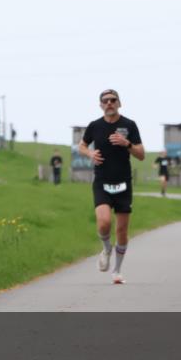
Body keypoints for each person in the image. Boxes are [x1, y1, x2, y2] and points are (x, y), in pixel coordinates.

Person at [77, 89, 144, 284]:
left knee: (122, 230)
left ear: (119, 103)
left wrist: (127, 144)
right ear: (101, 105)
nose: (109, 103)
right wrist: (89, 154)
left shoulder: (129, 125)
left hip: (123, 182)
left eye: (113, 100)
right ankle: (106, 249)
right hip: (102, 182)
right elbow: (81, 145)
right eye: (105, 101)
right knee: (104, 222)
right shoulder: (95, 126)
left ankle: (117, 270)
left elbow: (141, 154)